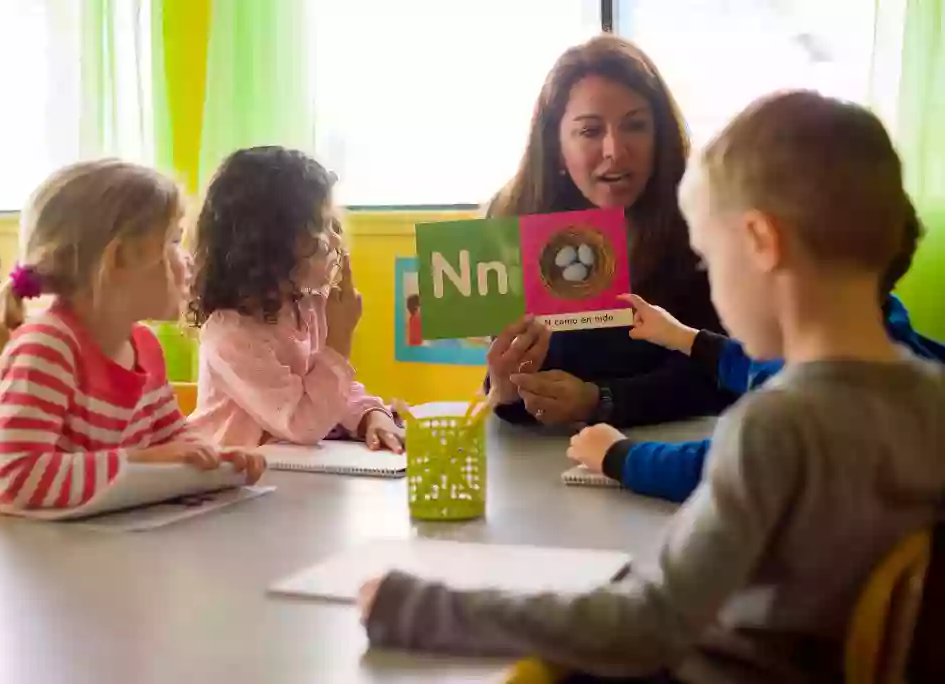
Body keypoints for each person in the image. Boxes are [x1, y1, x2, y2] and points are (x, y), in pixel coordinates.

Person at [357, 91, 945, 683]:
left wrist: (419, 606)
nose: (712, 286)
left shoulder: (777, 425)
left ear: (762, 243)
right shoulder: (932, 397)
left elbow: (651, 623)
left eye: (711, 259)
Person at [0, 160, 265, 524]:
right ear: (119, 257)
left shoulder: (145, 347)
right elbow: (19, 478)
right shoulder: (46, 348)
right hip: (11, 559)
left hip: (82, 544)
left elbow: (173, 435)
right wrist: (140, 462)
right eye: (172, 241)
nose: (186, 259)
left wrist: (217, 458)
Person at [572, 216, 945, 503]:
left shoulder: (816, 402)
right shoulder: (891, 339)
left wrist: (618, 455)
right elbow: (764, 368)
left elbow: (716, 470)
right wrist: (681, 337)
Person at [485, 34, 733, 430]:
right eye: (589, 131)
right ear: (558, 148)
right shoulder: (516, 218)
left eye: (635, 126)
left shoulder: (704, 221)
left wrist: (600, 402)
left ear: (660, 138)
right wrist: (507, 386)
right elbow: (504, 397)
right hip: (548, 467)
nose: (615, 150)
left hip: (678, 460)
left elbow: (728, 372)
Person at [188, 146, 403, 452]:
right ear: (269, 241)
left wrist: (372, 414)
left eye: (334, 226)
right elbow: (303, 424)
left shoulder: (308, 305)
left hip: (290, 475)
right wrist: (339, 341)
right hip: (232, 484)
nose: (336, 241)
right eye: (320, 227)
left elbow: (329, 387)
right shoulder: (230, 335)